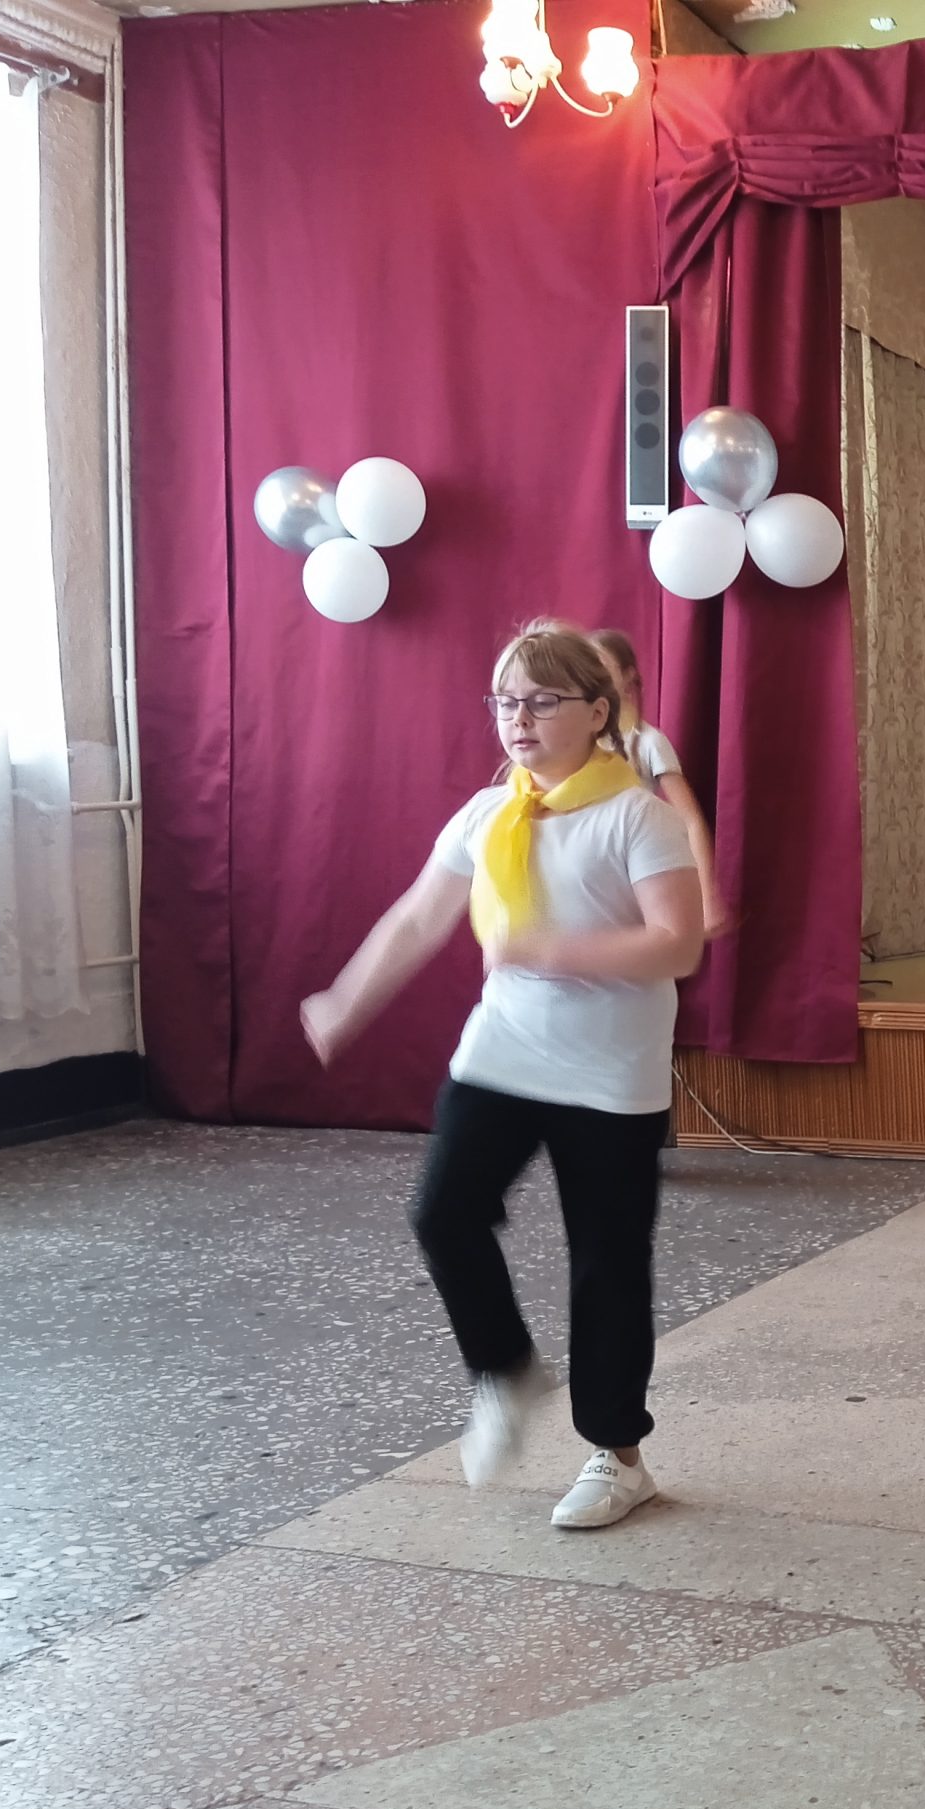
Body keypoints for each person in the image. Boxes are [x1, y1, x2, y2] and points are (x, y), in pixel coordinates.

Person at [300, 618, 704, 1531]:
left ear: (597, 712)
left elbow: (676, 943)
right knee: (444, 1212)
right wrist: (346, 1000)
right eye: (505, 702)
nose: (518, 719)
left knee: (606, 1263)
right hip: (503, 1054)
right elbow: (417, 919)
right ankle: (504, 1370)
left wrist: (552, 950)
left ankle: (618, 1456)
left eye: (542, 701)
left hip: (611, 1073)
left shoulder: (637, 817)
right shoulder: (489, 815)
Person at [587, 628, 733, 941]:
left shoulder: (648, 743)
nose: (594, 678)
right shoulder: (578, 742)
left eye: (603, 667)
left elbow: (691, 820)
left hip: (634, 880)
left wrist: (707, 897)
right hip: (591, 882)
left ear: (628, 677)